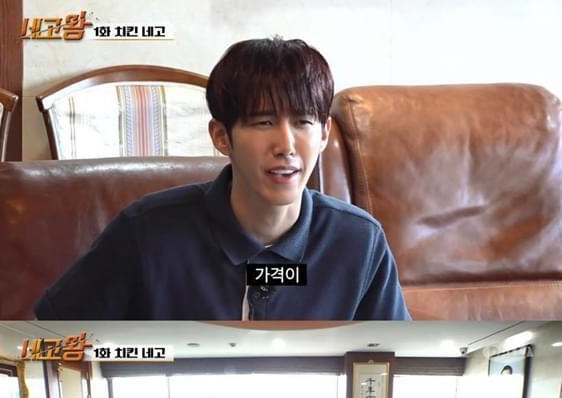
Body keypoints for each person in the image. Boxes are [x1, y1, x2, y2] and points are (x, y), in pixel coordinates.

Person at [34, 37, 410, 322]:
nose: (286, 146)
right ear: (221, 137)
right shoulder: (146, 232)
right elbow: (53, 336)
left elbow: (391, 356)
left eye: (303, 122)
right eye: (263, 122)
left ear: (324, 133)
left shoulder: (359, 242)